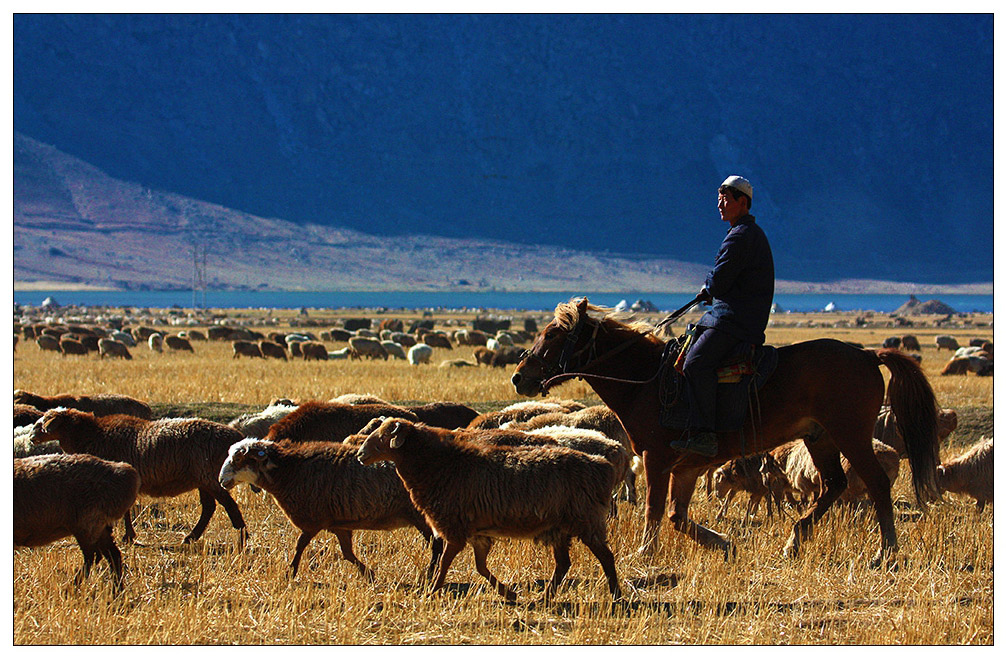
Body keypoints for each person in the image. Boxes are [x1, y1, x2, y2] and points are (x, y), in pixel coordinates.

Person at [669, 175, 774, 457]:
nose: (720, 204)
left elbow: (719, 282)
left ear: (743, 203)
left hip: (735, 322)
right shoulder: (747, 233)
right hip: (735, 318)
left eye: (726, 199)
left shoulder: (740, 236)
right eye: (719, 199)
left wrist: (707, 286)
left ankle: (705, 434)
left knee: (694, 364)